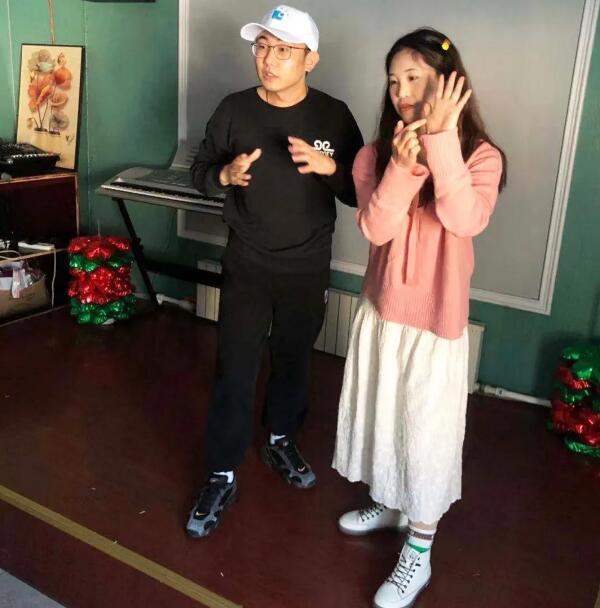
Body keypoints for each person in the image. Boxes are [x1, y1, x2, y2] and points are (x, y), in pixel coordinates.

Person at [332, 28, 506, 608]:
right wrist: (401, 170)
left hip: (436, 325)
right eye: (393, 81)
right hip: (383, 312)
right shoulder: (373, 156)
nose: (402, 91)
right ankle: (390, 501)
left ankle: (419, 550)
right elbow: (376, 228)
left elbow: (464, 218)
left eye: (414, 77)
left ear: (448, 84)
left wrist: (441, 141)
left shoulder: (481, 156)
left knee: (426, 435)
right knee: (383, 417)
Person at [186, 5, 363, 538]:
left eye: (283, 50)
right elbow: (200, 173)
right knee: (234, 367)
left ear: (311, 59)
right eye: (262, 47)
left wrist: (330, 168)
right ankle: (222, 471)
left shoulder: (334, 116)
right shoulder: (234, 110)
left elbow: (362, 192)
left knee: (293, 361)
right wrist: (224, 174)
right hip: (248, 261)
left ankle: (281, 439)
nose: (268, 59)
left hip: (307, 265)